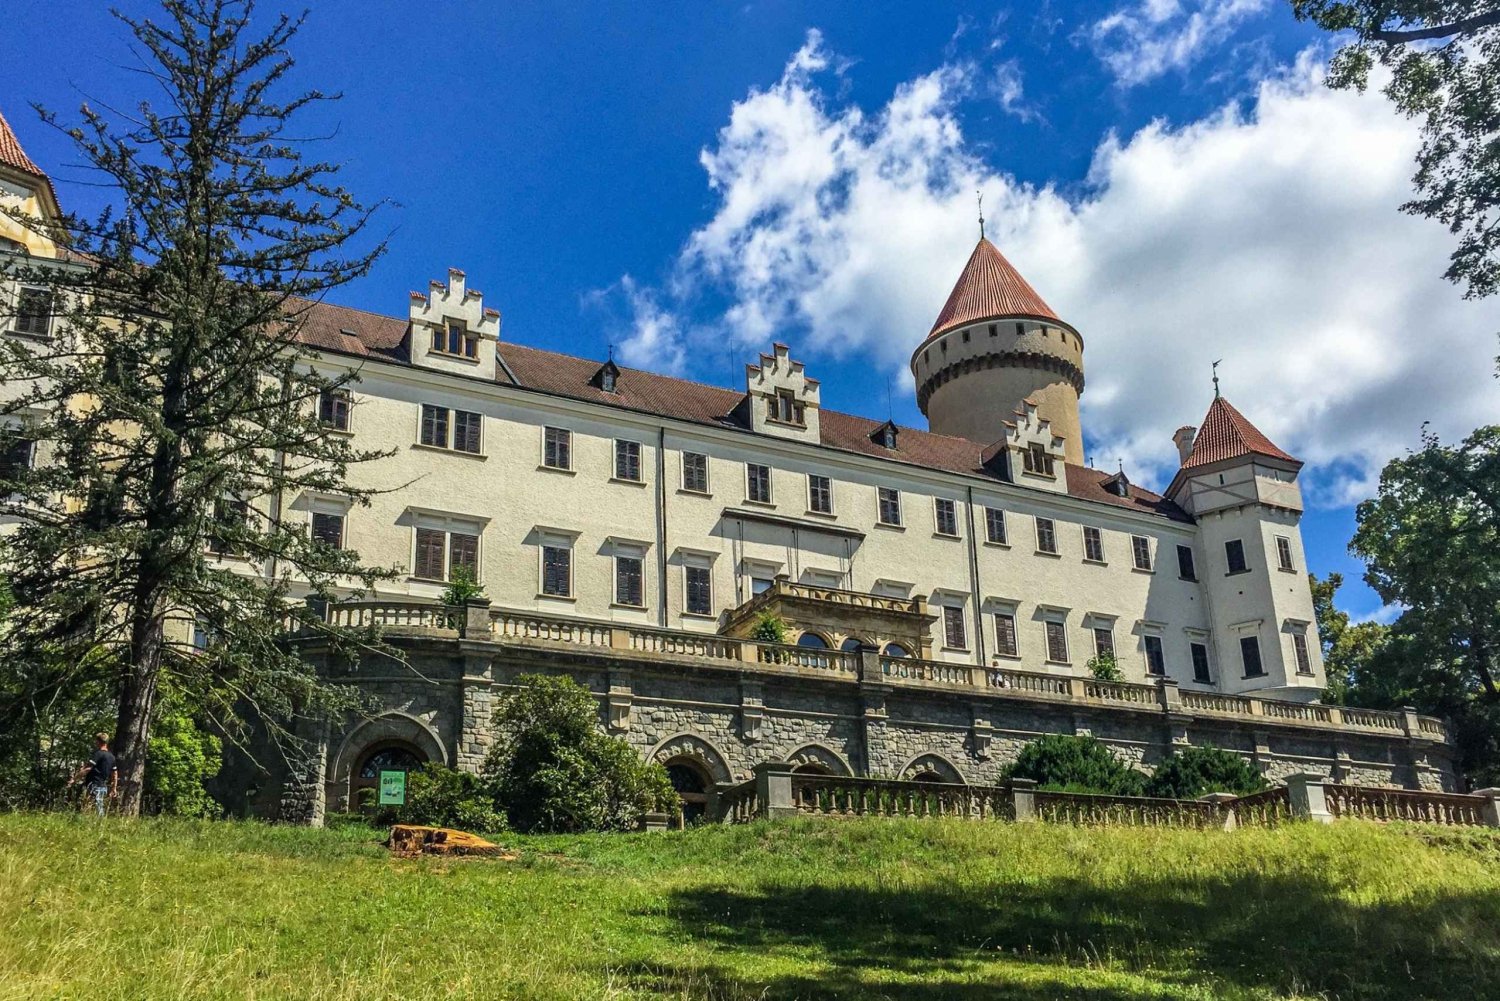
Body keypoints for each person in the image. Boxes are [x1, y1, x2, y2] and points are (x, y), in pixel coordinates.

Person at [68, 732, 118, 816]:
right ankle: (95, 824)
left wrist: (74, 779)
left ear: (98, 741)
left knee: (95, 808)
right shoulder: (111, 757)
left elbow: (88, 768)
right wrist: (114, 788)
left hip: (94, 785)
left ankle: (99, 825)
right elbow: (115, 774)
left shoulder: (98, 754)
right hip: (103, 787)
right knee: (96, 806)